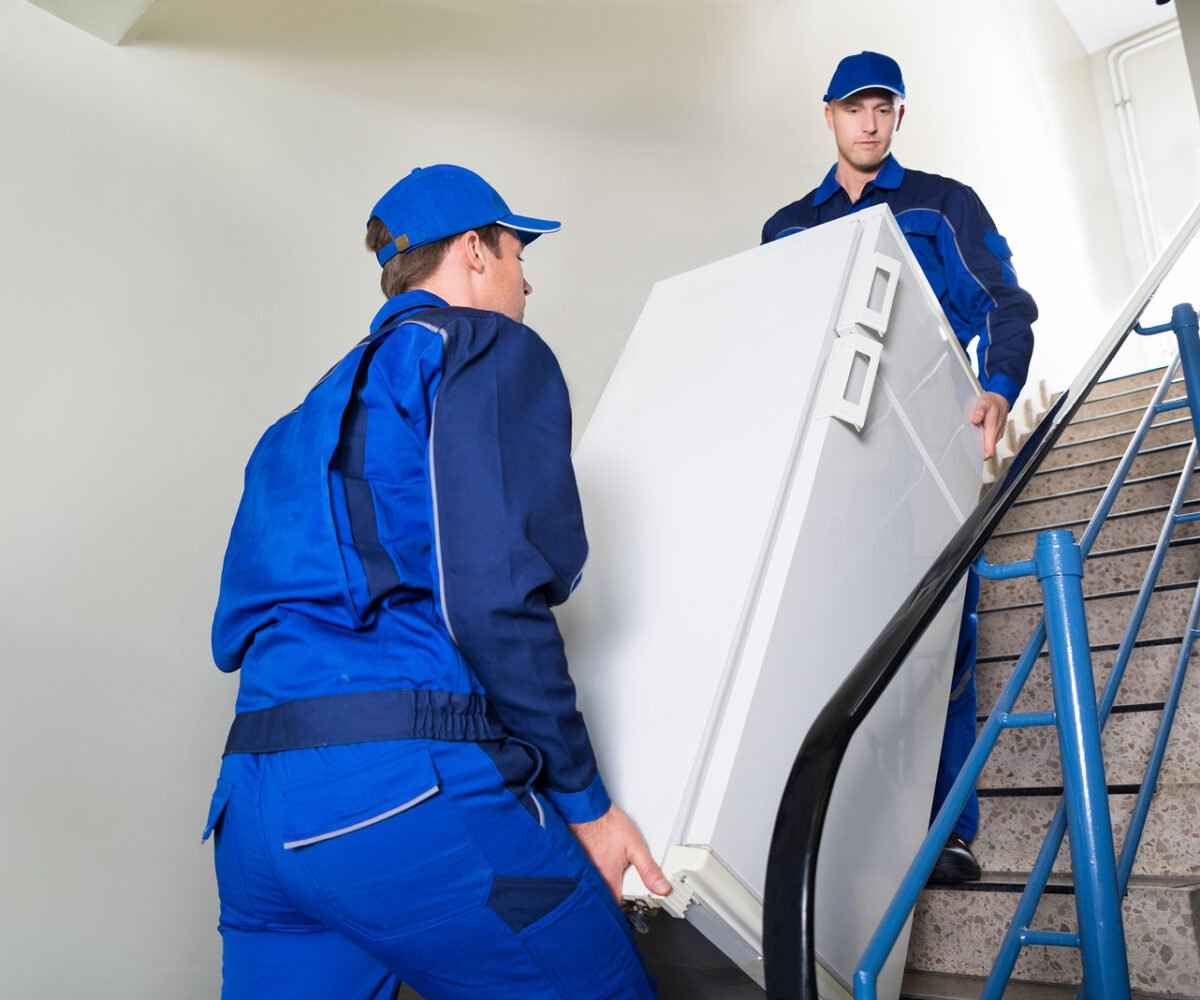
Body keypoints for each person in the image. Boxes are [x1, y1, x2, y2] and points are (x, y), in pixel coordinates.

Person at [203, 164, 668, 998]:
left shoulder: (301, 415)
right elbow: (492, 594)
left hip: (252, 809)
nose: (529, 281)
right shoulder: (476, 347)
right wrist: (588, 806)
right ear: (473, 253)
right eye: (518, 253)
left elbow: (236, 629)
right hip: (396, 790)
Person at [762, 52, 1038, 883]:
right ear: (830, 116)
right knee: (830, 636)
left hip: (927, 440)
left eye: (884, 108)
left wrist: (997, 388)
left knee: (942, 636)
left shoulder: (943, 203)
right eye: (855, 108)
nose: (870, 122)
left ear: (899, 117)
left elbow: (1006, 304)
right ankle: (841, 847)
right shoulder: (785, 228)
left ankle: (947, 831)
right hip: (828, 456)